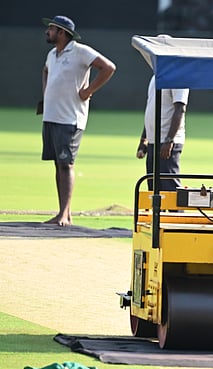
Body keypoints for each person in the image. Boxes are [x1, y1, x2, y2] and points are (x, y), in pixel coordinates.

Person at [41, 15, 116, 227]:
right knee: (58, 164)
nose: (48, 32)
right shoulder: (51, 54)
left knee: (66, 165)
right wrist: (46, 93)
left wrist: (89, 90)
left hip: (70, 118)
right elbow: (45, 71)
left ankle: (64, 214)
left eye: (52, 29)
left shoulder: (80, 51)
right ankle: (63, 213)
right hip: (51, 116)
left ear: (62, 32)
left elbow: (108, 67)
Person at [136, 75, 189, 191]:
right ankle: (158, 210)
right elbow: (152, 109)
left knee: (171, 188)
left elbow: (180, 109)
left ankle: (177, 210)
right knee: (154, 188)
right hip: (153, 140)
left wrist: (169, 140)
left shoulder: (178, 77)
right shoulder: (156, 76)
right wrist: (144, 139)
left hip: (167, 141)